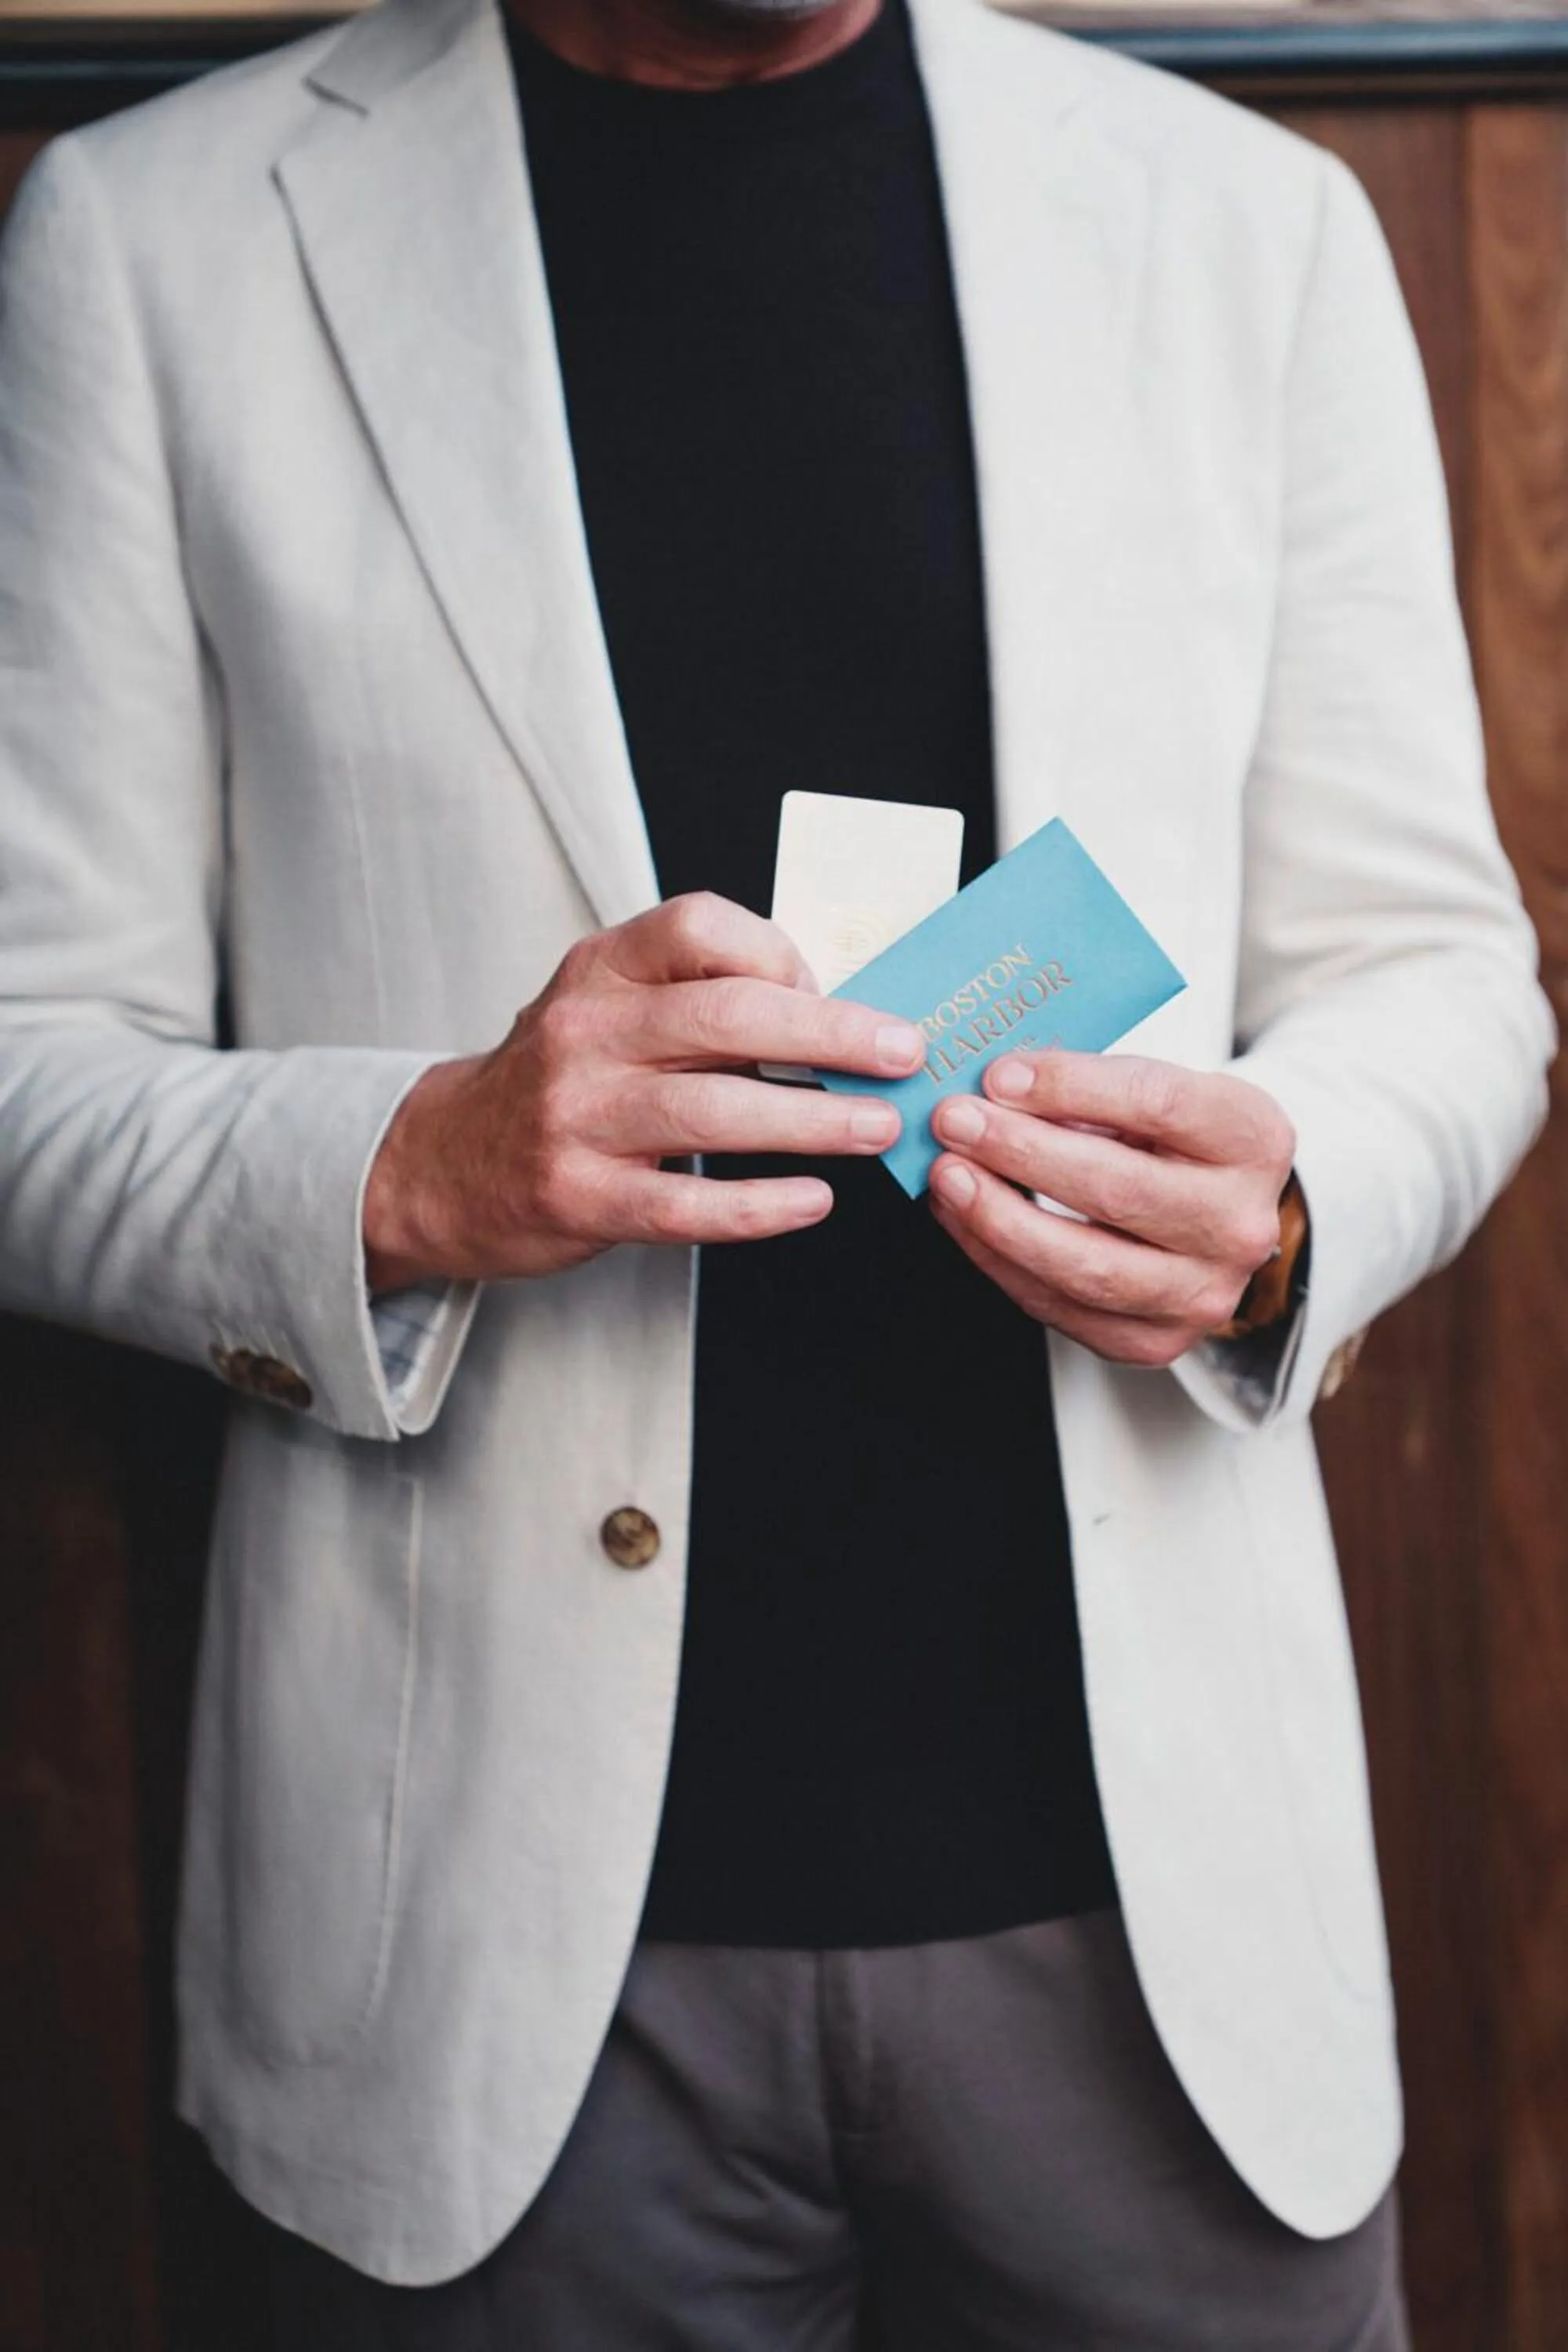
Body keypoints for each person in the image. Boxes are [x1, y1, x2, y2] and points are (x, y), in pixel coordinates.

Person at [0, 0, 1551, 2339]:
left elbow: (1436, 963)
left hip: (1166, 1951)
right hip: (480, 1972)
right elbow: (25, 1060)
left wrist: (1291, 1202)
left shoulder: (1253, 225)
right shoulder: (151, 239)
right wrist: (411, 1164)